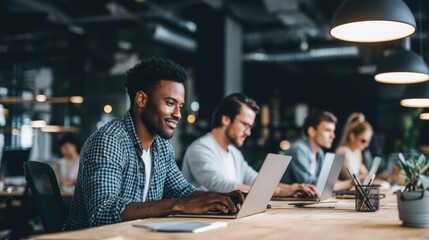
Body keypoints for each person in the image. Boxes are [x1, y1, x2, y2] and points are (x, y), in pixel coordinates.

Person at [63, 57, 244, 231]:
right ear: (141, 100)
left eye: (180, 106)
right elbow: (103, 212)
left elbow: (181, 190)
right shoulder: (110, 141)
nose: (178, 114)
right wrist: (179, 205)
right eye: (170, 103)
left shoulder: (161, 146)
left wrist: (217, 198)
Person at [182, 93, 316, 197]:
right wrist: (279, 191)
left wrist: (293, 188)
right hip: (204, 223)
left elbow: (254, 179)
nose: (248, 132)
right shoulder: (200, 148)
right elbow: (223, 186)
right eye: (245, 125)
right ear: (226, 119)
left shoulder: (234, 153)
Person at [280, 111, 352, 190]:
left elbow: (324, 179)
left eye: (333, 131)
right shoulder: (298, 149)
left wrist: (337, 182)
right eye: (327, 130)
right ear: (312, 131)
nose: (333, 136)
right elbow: (309, 183)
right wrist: (348, 183)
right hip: (286, 201)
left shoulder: (319, 152)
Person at [336, 113, 389, 187]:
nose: (366, 145)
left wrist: (378, 176)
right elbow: (353, 178)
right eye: (363, 141)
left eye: (368, 141)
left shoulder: (357, 152)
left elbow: (365, 174)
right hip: (345, 191)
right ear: (352, 136)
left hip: (354, 189)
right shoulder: (343, 152)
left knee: (385, 185)